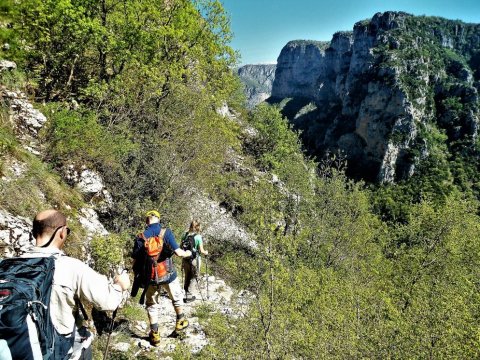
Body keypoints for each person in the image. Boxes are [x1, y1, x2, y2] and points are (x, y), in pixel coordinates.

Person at [25, 209, 130, 360]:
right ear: (62, 232)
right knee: (83, 342)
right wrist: (120, 285)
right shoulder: (71, 267)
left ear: (34, 232)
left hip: (17, 346)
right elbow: (108, 302)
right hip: (56, 350)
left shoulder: (6, 266)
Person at [131, 210, 193, 347]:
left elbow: (135, 261)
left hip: (150, 277)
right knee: (176, 297)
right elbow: (179, 253)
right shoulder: (166, 232)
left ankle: (155, 335)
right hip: (168, 274)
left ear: (147, 221)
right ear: (158, 219)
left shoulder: (140, 237)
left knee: (152, 304)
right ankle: (180, 321)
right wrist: (189, 253)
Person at [181, 220, 208, 303]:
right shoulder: (198, 237)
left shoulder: (184, 235)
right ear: (198, 227)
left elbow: (180, 247)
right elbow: (202, 250)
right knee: (194, 277)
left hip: (185, 259)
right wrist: (206, 252)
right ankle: (189, 296)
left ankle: (186, 294)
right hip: (194, 260)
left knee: (187, 276)